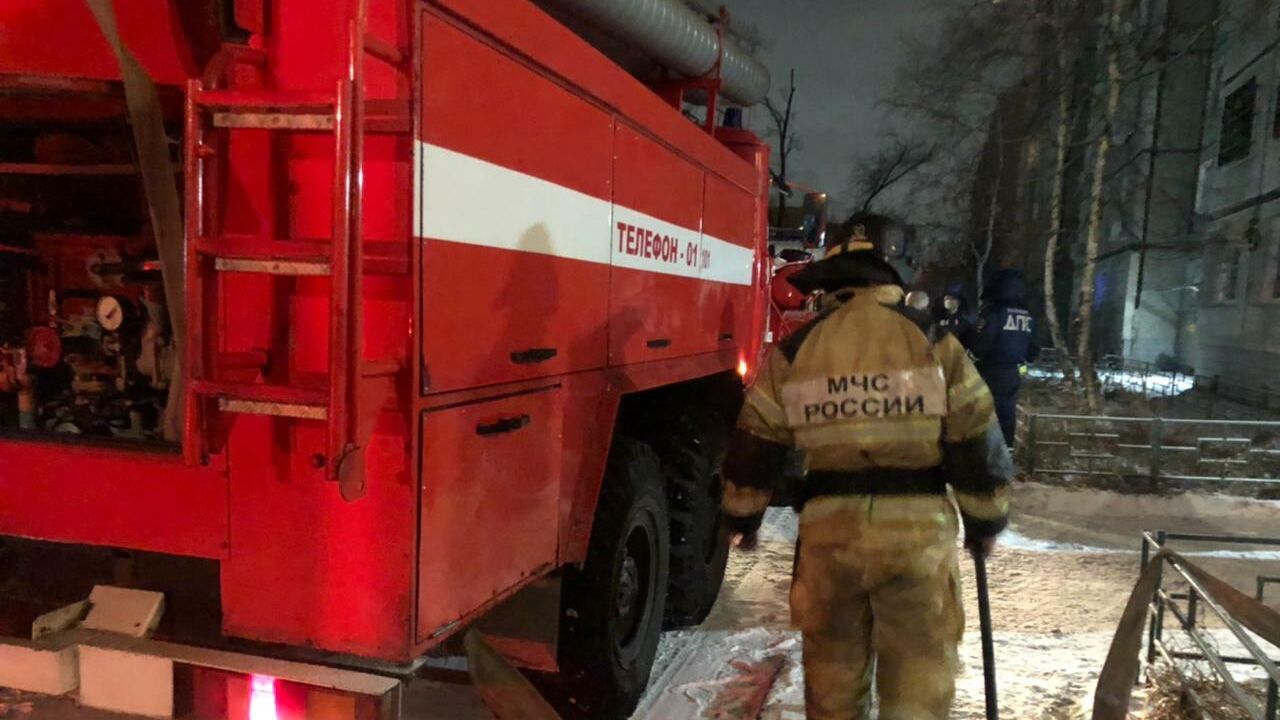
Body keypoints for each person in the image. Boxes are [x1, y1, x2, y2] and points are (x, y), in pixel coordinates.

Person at [721, 214, 1014, 720]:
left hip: (830, 538)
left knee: (833, 679)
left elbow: (757, 438)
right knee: (918, 679)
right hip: (916, 539)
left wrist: (742, 515)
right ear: (888, 278)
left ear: (833, 284)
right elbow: (974, 428)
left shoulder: (796, 350)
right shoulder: (932, 342)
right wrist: (985, 517)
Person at [972, 268, 1040, 446]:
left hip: (989, 371)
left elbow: (981, 344)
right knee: (1007, 413)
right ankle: (1006, 451)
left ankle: (987, 455)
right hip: (1013, 372)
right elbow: (1034, 347)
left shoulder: (992, 311)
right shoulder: (1026, 313)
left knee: (986, 413)